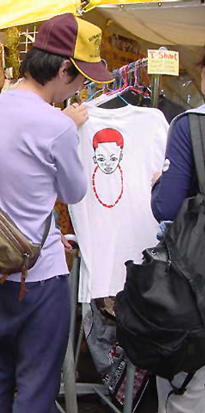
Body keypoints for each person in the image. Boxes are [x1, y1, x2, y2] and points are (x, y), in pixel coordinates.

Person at [0, 13, 113, 412]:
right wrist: (64, 126)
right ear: (64, 69)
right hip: (39, 273)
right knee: (36, 389)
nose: (82, 86)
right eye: (81, 77)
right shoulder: (58, 125)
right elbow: (74, 191)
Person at [150, 49, 205, 413]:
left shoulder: (190, 126)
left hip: (197, 280)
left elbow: (166, 207)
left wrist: (159, 184)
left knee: (190, 387)